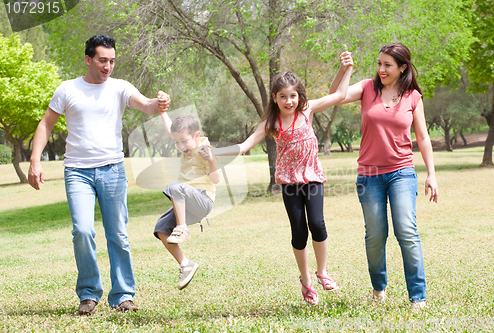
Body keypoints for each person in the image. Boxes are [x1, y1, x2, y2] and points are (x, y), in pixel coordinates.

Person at [28, 35, 171, 315]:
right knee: (82, 230)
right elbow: (45, 124)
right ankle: (89, 293)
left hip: (113, 170)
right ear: (88, 59)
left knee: (118, 234)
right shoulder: (68, 90)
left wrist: (160, 102)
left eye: (112, 61)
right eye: (103, 60)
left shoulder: (120, 87)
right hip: (77, 172)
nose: (108, 66)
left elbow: (147, 106)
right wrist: (35, 160)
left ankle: (123, 295)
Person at [211, 52, 353, 306]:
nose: (289, 101)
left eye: (293, 95)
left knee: (318, 225)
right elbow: (244, 147)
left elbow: (340, 95)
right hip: (289, 183)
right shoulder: (271, 122)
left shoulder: (306, 111)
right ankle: (306, 280)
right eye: (283, 96)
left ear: (300, 97)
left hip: (312, 178)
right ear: (274, 98)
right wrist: (215, 151)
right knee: (299, 233)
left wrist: (346, 69)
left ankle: (322, 272)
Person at [329, 43, 438, 311]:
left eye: (387, 65)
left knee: (406, 231)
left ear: (403, 68)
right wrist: (344, 70)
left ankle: (418, 297)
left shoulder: (413, 97)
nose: (381, 69)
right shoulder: (367, 88)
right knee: (376, 235)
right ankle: (379, 289)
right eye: (379, 63)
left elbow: (422, 137)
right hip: (370, 175)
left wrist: (431, 174)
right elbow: (335, 95)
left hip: (402, 172)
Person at [153, 112, 221, 290]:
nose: (180, 146)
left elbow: (216, 179)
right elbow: (171, 130)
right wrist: (162, 111)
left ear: (196, 136)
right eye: (177, 142)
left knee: (175, 187)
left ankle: (182, 228)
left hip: (203, 200)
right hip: (186, 202)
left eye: (183, 141)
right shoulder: (186, 144)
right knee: (161, 229)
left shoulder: (205, 150)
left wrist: (212, 161)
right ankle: (185, 264)